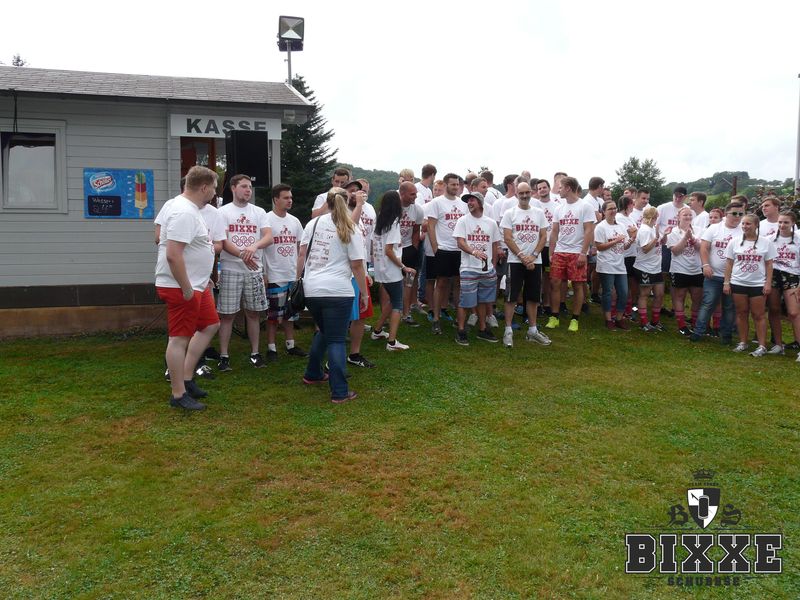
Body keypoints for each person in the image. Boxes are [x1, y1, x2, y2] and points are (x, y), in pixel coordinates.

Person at [154, 166, 221, 410]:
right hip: (182, 286)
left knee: (210, 324)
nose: (214, 193)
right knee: (179, 338)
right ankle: (178, 394)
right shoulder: (184, 212)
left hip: (196, 284)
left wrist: (203, 278)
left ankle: (187, 377)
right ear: (203, 187)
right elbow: (173, 255)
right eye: (213, 188)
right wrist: (186, 288)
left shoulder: (187, 208)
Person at [299, 188, 368, 403]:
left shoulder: (313, 224)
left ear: (327, 203)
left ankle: (313, 373)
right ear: (347, 203)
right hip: (338, 290)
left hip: (312, 289)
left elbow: (302, 254)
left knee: (324, 331)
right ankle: (339, 391)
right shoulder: (351, 227)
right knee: (337, 340)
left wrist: (298, 280)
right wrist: (364, 293)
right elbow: (357, 265)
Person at [216, 175, 273, 371]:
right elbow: (222, 240)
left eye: (250, 187)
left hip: (254, 271)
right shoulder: (223, 212)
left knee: (253, 313)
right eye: (244, 186)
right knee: (227, 315)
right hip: (230, 269)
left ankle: (255, 353)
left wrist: (254, 247)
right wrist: (242, 255)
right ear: (233, 188)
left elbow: (268, 237)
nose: (248, 190)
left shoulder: (259, 212)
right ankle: (224, 356)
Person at [501, 182, 550, 347]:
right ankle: (508, 331)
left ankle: (532, 331)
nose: (524, 196)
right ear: (516, 194)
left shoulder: (539, 213)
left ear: (531, 193)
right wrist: (522, 257)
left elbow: (543, 236)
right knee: (511, 297)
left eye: (527, 192)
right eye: (521, 193)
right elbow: (508, 238)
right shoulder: (510, 213)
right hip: (515, 261)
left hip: (535, 261)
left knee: (534, 297)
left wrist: (533, 255)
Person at [263, 183, 307, 362]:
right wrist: (264, 272)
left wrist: (299, 272)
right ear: (275, 199)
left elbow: (299, 248)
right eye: (286, 197)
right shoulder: (266, 220)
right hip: (274, 273)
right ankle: (271, 347)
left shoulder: (294, 221)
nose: (290, 200)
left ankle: (291, 344)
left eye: (291, 197)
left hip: (291, 274)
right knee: (273, 315)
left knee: (291, 312)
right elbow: (261, 249)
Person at [546, 176, 596, 332]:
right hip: (560, 251)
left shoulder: (585, 206)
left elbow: (589, 231)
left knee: (577, 285)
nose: (558, 190)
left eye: (561, 187)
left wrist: (583, 253)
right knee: (555, 283)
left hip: (576, 252)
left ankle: (575, 319)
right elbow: (554, 231)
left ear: (568, 188)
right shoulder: (558, 208)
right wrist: (551, 252)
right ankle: (554, 316)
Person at [689, 203, 744, 343]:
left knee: (729, 307)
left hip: (734, 277)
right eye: (734, 213)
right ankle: (698, 332)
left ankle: (726, 335)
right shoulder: (715, 228)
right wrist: (705, 265)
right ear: (726, 214)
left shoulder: (743, 230)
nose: (738, 217)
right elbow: (704, 248)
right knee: (708, 303)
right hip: (713, 275)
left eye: (741, 214)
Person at [723, 214, 776, 356]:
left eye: (748, 224)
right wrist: (726, 282)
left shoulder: (766, 242)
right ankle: (743, 342)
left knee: (758, 315)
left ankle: (762, 345)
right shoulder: (734, 242)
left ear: (756, 225)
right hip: (738, 282)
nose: (745, 226)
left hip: (757, 284)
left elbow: (769, 264)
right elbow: (729, 263)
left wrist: (768, 283)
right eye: (743, 224)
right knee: (741, 313)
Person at [453, 192, 502, 345]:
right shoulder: (463, 221)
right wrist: (474, 252)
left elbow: (494, 245)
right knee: (465, 302)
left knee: (483, 301)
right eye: (468, 201)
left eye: (472, 200)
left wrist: (493, 265)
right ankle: (461, 331)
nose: (469, 203)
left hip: (487, 270)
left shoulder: (491, 223)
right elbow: (460, 242)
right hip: (468, 268)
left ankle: (482, 329)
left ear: (480, 203)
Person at [371, 190, 415, 350]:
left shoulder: (379, 220)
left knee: (392, 300)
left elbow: (375, 245)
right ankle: (392, 341)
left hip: (380, 268)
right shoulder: (394, 223)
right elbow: (389, 250)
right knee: (398, 304)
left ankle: (377, 331)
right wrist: (404, 267)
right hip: (391, 270)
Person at [427, 173, 469, 334]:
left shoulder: (463, 204)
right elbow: (431, 226)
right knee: (441, 283)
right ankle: (436, 318)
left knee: (458, 283)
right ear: (445, 185)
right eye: (453, 184)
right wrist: (435, 248)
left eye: (457, 184)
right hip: (443, 249)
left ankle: (459, 318)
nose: (456, 187)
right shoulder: (436, 203)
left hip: (460, 249)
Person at [594, 200, 636, 330]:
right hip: (606, 265)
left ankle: (619, 318)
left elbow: (624, 246)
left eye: (614, 208)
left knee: (623, 292)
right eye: (610, 209)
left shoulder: (621, 226)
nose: (613, 211)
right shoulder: (601, 227)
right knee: (607, 292)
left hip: (620, 265)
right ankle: (608, 319)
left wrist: (631, 239)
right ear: (604, 212)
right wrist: (616, 241)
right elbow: (599, 247)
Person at [766, 211, 800, 356]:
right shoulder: (770, 239)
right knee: (774, 310)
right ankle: (778, 344)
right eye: (780, 222)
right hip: (774, 274)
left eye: (786, 222)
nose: (782, 225)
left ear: (793, 223)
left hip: (792, 276)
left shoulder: (798, 239)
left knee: (793, 312)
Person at [667, 206, 703, 335]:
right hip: (679, 269)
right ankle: (682, 325)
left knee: (697, 298)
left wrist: (692, 239)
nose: (688, 217)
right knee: (679, 296)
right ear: (678, 217)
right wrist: (685, 238)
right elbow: (675, 251)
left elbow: (701, 248)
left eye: (690, 215)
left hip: (696, 269)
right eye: (685, 215)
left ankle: (694, 323)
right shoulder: (673, 232)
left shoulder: (699, 230)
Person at [657, 186, 688, 317]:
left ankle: (677, 307)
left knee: (678, 275)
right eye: (676, 195)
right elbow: (656, 225)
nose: (677, 198)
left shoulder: (688, 210)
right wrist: (659, 238)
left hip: (681, 245)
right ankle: (660, 305)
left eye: (680, 196)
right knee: (663, 274)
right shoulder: (663, 207)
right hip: (665, 245)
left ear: (685, 197)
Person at [633, 207, 665, 332]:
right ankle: (644, 322)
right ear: (653, 217)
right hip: (645, 267)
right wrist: (656, 238)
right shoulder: (645, 230)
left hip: (656, 267)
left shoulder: (652, 228)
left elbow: (661, 243)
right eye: (656, 216)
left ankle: (655, 321)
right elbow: (645, 248)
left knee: (659, 294)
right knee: (644, 294)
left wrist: (664, 235)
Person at [532, 178, 561, 317]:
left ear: (549, 188)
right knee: (537, 277)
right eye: (539, 188)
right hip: (538, 246)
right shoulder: (534, 206)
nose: (542, 190)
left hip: (551, 246)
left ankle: (547, 304)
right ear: (537, 191)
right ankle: (536, 304)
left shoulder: (557, 206)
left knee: (550, 277)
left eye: (544, 187)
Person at [397, 182, 423, 326]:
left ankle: (406, 313)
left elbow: (416, 230)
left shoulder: (417, 209)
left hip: (408, 248)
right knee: (390, 282)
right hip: (393, 248)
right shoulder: (393, 207)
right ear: (402, 194)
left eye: (416, 193)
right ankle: (390, 313)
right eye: (412, 194)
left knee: (409, 282)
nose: (415, 196)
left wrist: (414, 248)